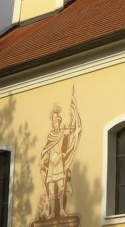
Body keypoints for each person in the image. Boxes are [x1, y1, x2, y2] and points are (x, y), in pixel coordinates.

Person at [39, 89, 81, 218]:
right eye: (54, 120)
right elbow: (46, 150)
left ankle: (62, 210)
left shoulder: (62, 132)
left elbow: (71, 130)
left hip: (59, 162)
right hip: (52, 163)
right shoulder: (50, 135)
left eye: (57, 120)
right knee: (51, 189)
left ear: (59, 121)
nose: (55, 122)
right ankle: (52, 212)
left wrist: (73, 115)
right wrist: (43, 159)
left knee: (61, 186)